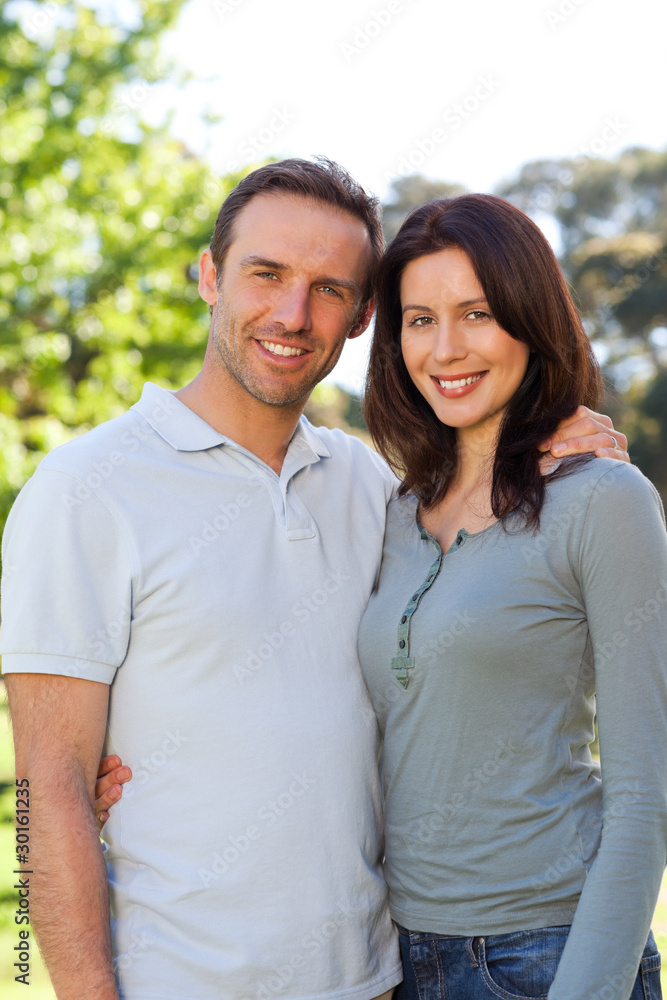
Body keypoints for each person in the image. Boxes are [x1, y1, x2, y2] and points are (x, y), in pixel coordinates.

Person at [1, 158, 627, 1000]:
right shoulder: (86, 489)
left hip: (384, 976)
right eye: (266, 274)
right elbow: (48, 794)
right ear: (209, 276)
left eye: (330, 289)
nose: (292, 315)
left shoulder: (374, 489)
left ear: (364, 315)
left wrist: (559, 439)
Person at [357, 193, 667, 1000]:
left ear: (531, 319)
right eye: (418, 320)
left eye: (477, 313)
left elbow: (643, 797)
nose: (444, 348)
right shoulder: (390, 512)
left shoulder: (604, 499)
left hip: (545, 954)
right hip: (403, 956)